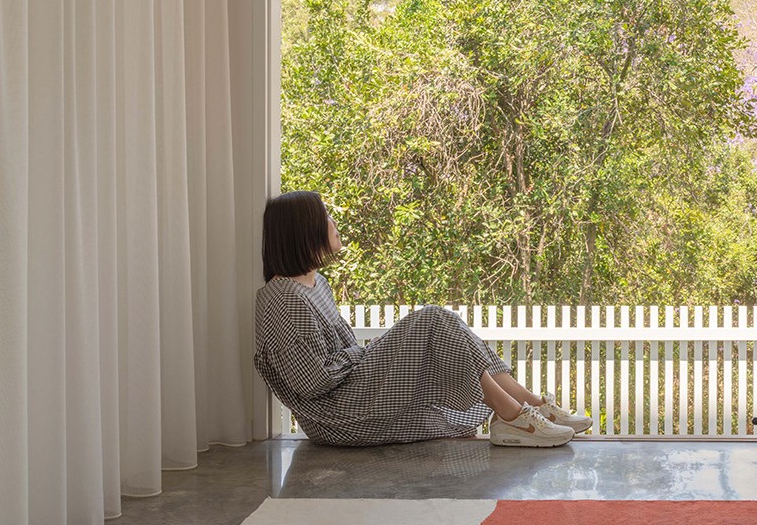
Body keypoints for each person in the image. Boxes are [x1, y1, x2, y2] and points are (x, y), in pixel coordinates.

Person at [253, 190, 591, 447]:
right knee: (431, 320)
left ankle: (528, 408)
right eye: (325, 215)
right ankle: (515, 417)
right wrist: (365, 355)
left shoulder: (315, 284)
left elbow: (338, 357)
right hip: (339, 413)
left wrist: (364, 354)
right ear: (302, 229)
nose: (333, 223)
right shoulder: (285, 298)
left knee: (439, 321)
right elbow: (311, 382)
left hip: (353, 390)